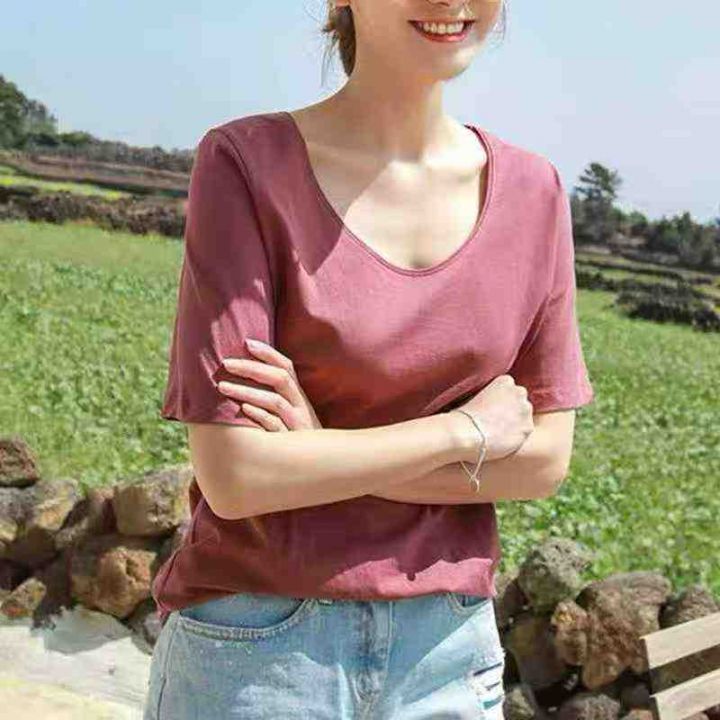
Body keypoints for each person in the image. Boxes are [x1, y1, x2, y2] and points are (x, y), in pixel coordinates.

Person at [144, 0, 595, 718]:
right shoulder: (247, 164)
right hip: (259, 651)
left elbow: (542, 461)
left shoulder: (534, 192)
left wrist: (322, 449)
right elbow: (237, 475)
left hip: (449, 654)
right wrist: (463, 433)